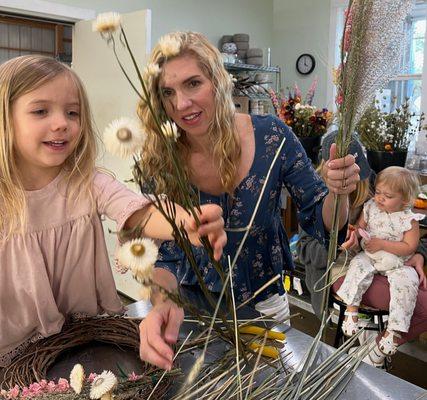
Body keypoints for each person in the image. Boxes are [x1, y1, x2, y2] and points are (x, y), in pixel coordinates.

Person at [137, 31, 361, 370]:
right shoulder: (160, 156)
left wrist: (338, 192)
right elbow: (163, 257)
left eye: (193, 83)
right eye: (167, 92)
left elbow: (321, 219)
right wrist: (161, 304)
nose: (181, 104)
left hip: (264, 306)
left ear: (217, 80)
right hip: (190, 308)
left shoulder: (272, 136)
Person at [0, 55, 226, 368]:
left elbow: (140, 212)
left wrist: (185, 220)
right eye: (41, 111)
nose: (62, 123)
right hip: (9, 352)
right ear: (4, 119)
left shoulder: (86, 181)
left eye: (72, 112)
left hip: (80, 338)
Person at [297, 131, 427, 368]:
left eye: (358, 171)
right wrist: (338, 247)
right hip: (340, 272)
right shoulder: (314, 196)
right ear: (331, 169)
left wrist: (419, 253)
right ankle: (372, 354)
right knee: (424, 307)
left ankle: (370, 353)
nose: (357, 179)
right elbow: (303, 250)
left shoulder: (377, 188)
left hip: (384, 265)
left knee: (418, 298)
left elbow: (410, 224)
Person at [336, 166, 424, 359]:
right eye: (378, 192)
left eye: (388, 196)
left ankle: (394, 330)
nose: (380, 198)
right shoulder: (370, 207)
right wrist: (355, 235)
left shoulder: (409, 220)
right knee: (357, 267)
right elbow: (360, 228)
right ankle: (352, 309)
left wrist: (383, 243)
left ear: (406, 200)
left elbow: (409, 247)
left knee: (407, 284)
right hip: (370, 256)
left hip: (398, 262)